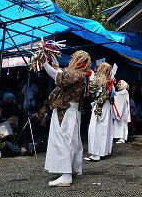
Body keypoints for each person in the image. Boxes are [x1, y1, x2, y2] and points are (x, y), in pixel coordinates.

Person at [42, 50, 92, 187]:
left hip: (66, 110)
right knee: (73, 141)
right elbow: (63, 75)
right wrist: (57, 67)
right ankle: (75, 169)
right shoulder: (82, 74)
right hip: (72, 110)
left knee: (63, 141)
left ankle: (66, 175)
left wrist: (44, 64)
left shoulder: (76, 74)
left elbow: (61, 78)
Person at [84, 62, 115, 161]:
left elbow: (92, 90)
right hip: (106, 107)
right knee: (104, 129)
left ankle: (96, 154)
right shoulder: (110, 80)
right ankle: (103, 152)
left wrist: (91, 78)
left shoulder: (100, 80)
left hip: (100, 106)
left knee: (95, 129)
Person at [113, 80, 131, 144]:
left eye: (120, 85)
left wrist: (112, 92)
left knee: (123, 124)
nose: (119, 86)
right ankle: (120, 137)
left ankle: (123, 138)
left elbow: (117, 95)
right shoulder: (123, 92)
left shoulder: (125, 92)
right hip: (122, 110)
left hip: (124, 111)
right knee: (120, 124)